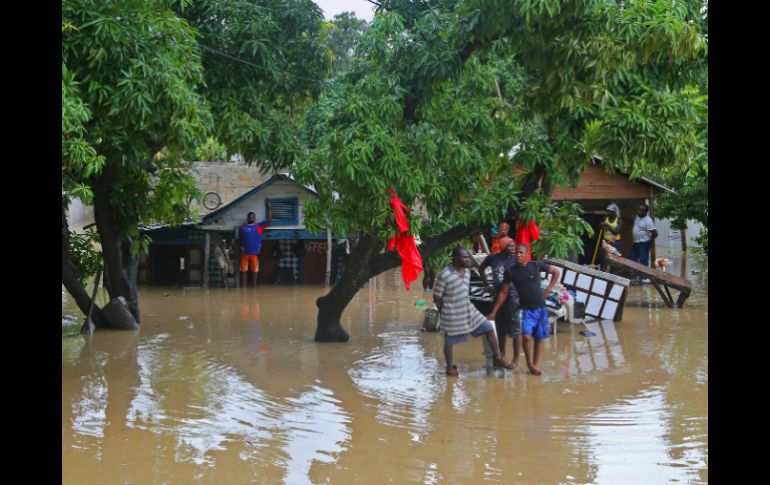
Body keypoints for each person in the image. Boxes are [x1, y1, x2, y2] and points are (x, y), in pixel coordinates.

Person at [433, 247, 515, 377]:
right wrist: (444, 313)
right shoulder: (445, 275)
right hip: (451, 312)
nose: (467, 260)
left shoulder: (467, 273)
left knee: (488, 327)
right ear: (455, 258)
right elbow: (437, 297)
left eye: (467, 257)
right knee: (449, 340)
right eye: (464, 257)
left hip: (468, 309)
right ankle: (449, 368)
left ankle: (497, 358)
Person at [487, 243, 560, 376]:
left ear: (527, 254)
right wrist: (494, 312)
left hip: (541, 308)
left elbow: (556, 272)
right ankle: (529, 363)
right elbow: (503, 293)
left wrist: (549, 289)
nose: (518, 255)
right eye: (516, 253)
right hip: (526, 310)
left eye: (521, 253)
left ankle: (534, 366)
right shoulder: (511, 270)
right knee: (526, 337)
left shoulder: (536, 265)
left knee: (539, 338)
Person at [478, 237, 522, 368]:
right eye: (511, 247)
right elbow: (481, 268)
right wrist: (487, 285)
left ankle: (516, 360)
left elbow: (524, 274)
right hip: (497, 297)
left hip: (512, 299)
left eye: (514, 247)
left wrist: (520, 290)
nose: (514, 249)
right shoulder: (493, 258)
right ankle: (502, 354)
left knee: (516, 331)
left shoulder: (515, 260)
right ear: (503, 247)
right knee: (500, 329)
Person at [238, 204, 272, 287]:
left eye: (253, 217)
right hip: (244, 253)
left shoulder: (258, 226)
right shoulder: (242, 227)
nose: (251, 218)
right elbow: (239, 239)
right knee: (243, 270)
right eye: (250, 217)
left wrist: (269, 208)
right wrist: (240, 246)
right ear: (247, 218)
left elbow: (269, 220)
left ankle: (254, 288)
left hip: (254, 253)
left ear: (255, 218)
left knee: (255, 270)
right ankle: (244, 288)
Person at [629, 203, 658, 270]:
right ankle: (633, 274)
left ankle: (645, 277)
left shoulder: (648, 221)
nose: (638, 211)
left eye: (641, 210)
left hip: (644, 243)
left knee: (643, 260)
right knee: (632, 258)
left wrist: (649, 241)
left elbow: (655, 233)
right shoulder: (637, 216)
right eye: (638, 210)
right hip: (636, 242)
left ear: (646, 212)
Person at [600, 203, 623, 271]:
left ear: (614, 212)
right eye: (607, 211)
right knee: (604, 259)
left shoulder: (619, 220)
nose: (608, 213)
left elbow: (616, 232)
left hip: (616, 243)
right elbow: (599, 228)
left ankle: (613, 275)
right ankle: (604, 274)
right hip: (606, 242)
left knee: (615, 260)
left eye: (610, 211)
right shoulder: (605, 218)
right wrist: (601, 225)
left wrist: (607, 225)